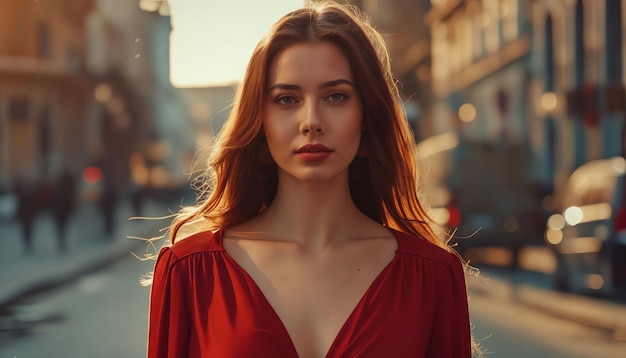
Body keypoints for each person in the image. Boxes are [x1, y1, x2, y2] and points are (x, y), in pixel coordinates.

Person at [147, 2, 474, 357]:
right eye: (287, 99)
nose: (311, 121)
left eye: (336, 96)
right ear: (260, 120)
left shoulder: (434, 275)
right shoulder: (190, 270)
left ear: (366, 115)